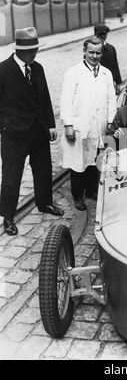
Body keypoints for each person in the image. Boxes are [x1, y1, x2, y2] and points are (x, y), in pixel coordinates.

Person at [0, 27, 64, 235]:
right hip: (14, 134)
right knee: (11, 177)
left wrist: (51, 125)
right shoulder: (3, 70)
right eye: (30, 50)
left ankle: (44, 203)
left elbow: (45, 98)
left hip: (38, 130)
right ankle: (7, 217)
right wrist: (4, 126)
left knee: (43, 170)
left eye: (36, 49)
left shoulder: (37, 68)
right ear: (18, 50)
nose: (34, 53)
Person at [59, 38, 116, 211]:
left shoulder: (106, 73)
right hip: (80, 124)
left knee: (95, 159)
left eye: (98, 52)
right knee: (79, 162)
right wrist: (68, 124)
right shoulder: (74, 72)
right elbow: (65, 100)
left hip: (99, 125)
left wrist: (111, 121)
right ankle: (78, 195)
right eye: (91, 52)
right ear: (84, 51)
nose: (94, 56)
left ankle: (91, 191)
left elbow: (111, 99)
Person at [94, 23, 122, 96]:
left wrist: (118, 82)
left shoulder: (111, 48)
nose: (102, 36)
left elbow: (115, 66)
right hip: (97, 83)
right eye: (100, 34)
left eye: (104, 34)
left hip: (110, 82)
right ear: (95, 35)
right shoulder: (91, 49)